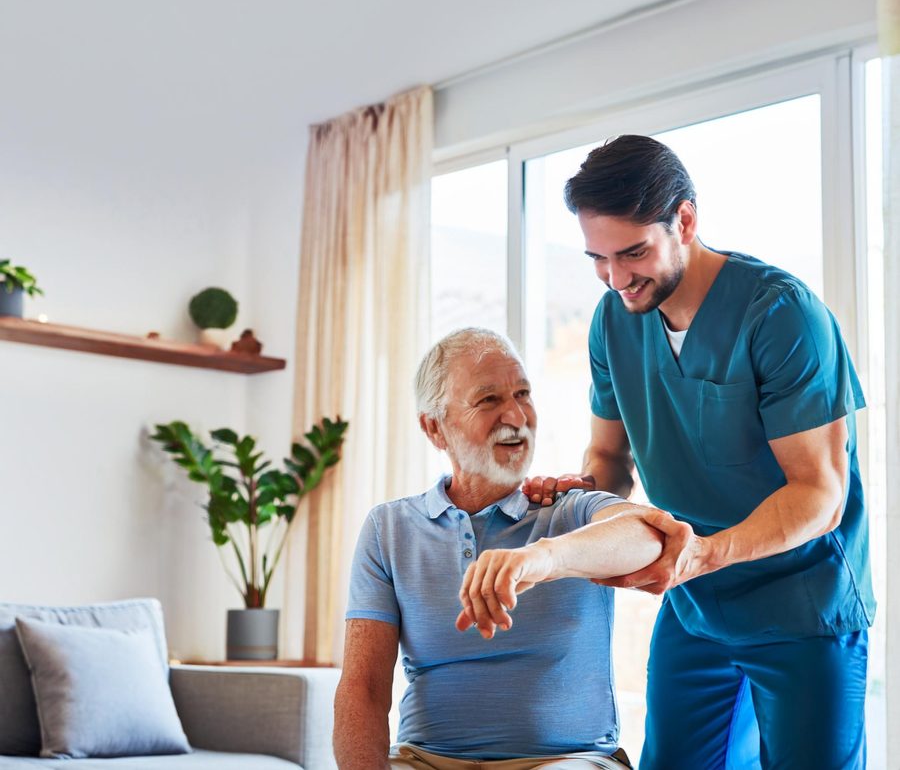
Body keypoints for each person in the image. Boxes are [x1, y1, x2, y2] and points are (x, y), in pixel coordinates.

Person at [467, 135, 874, 770]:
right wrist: (579, 495)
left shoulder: (781, 315)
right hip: (695, 601)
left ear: (684, 220)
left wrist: (703, 554)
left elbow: (820, 493)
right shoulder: (612, 321)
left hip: (801, 601)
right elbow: (609, 461)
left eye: (633, 253)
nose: (617, 279)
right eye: (598, 258)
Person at [333, 327, 668, 770]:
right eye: (488, 399)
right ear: (434, 428)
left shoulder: (570, 511)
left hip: (566, 760)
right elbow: (363, 690)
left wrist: (544, 557)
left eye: (522, 393)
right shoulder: (389, 529)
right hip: (427, 760)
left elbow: (649, 535)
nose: (515, 414)